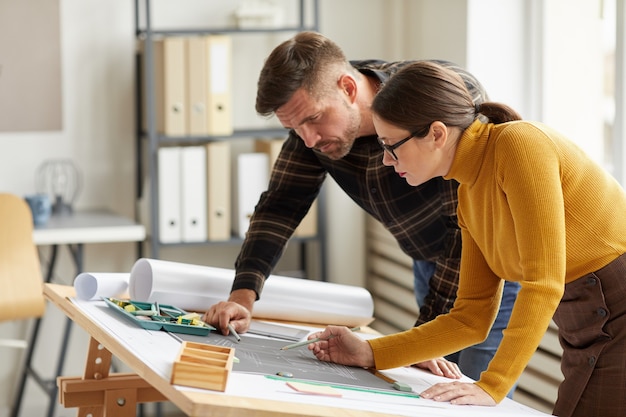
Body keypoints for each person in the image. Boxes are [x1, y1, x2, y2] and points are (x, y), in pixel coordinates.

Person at [307, 60, 626, 417]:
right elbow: (471, 317)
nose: (385, 160)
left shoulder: (520, 146)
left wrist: (492, 387)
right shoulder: (467, 191)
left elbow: (543, 282)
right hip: (586, 317)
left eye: (391, 145)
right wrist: (370, 352)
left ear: (437, 134)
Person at [203, 31, 520, 386]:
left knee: (470, 393)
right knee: (428, 387)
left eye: (312, 120)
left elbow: (461, 232)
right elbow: (280, 206)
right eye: (294, 128)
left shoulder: (434, 98)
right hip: (428, 263)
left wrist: (420, 340)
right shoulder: (312, 129)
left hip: (490, 264)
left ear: (348, 89)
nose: (309, 140)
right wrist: (242, 298)